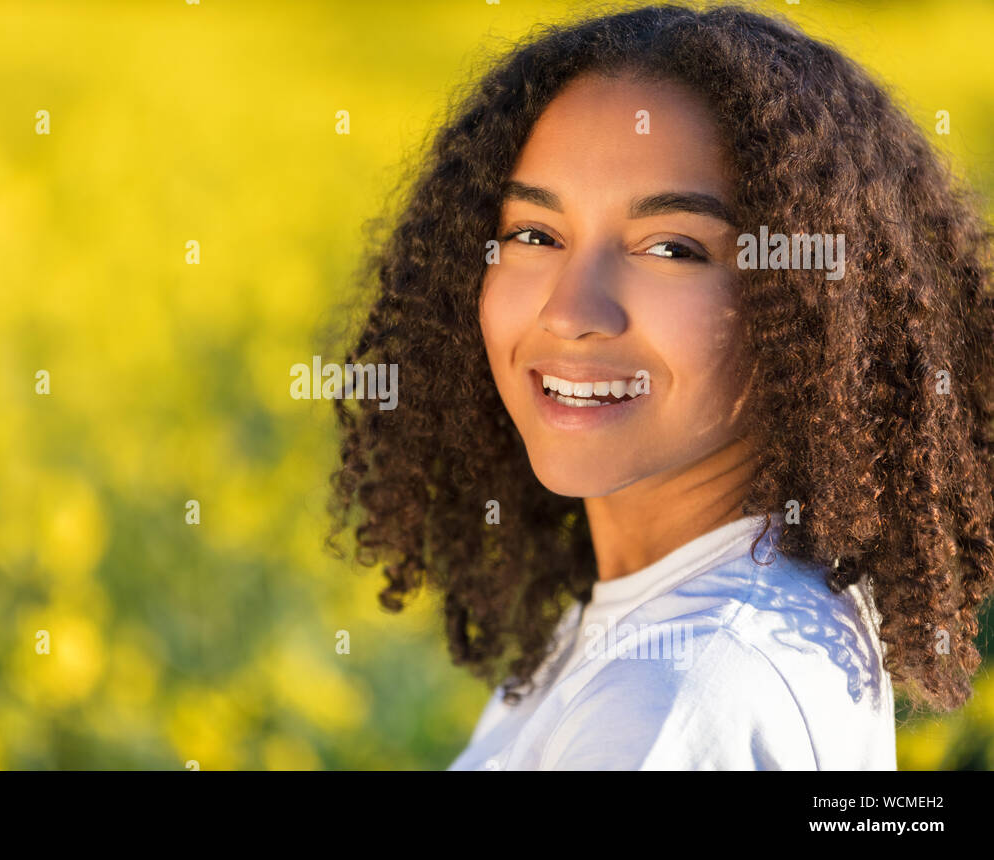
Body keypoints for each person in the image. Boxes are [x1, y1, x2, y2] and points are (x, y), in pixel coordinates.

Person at [327, 3, 994, 769]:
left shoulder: (668, 703)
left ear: (808, 307)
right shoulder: (670, 616)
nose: (572, 312)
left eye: (672, 248)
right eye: (534, 235)